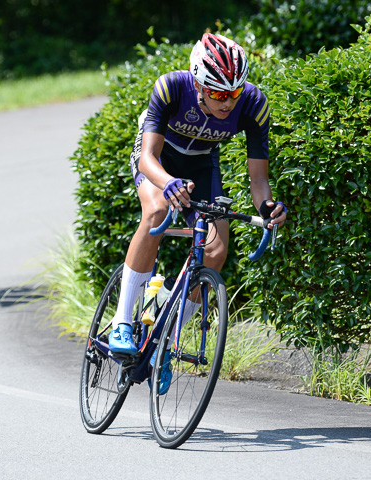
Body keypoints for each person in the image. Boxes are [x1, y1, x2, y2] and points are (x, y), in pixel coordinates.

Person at [108, 33, 288, 357]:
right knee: (157, 211)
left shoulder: (253, 104)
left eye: (233, 92)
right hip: (159, 158)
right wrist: (168, 183)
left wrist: (268, 207)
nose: (227, 102)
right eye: (218, 93)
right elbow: (148, 158)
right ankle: (121, 322)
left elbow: (258, 179)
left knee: (216, 249)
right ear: (198, 83)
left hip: (202, 163)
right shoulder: (171, 87)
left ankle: (164, 339)